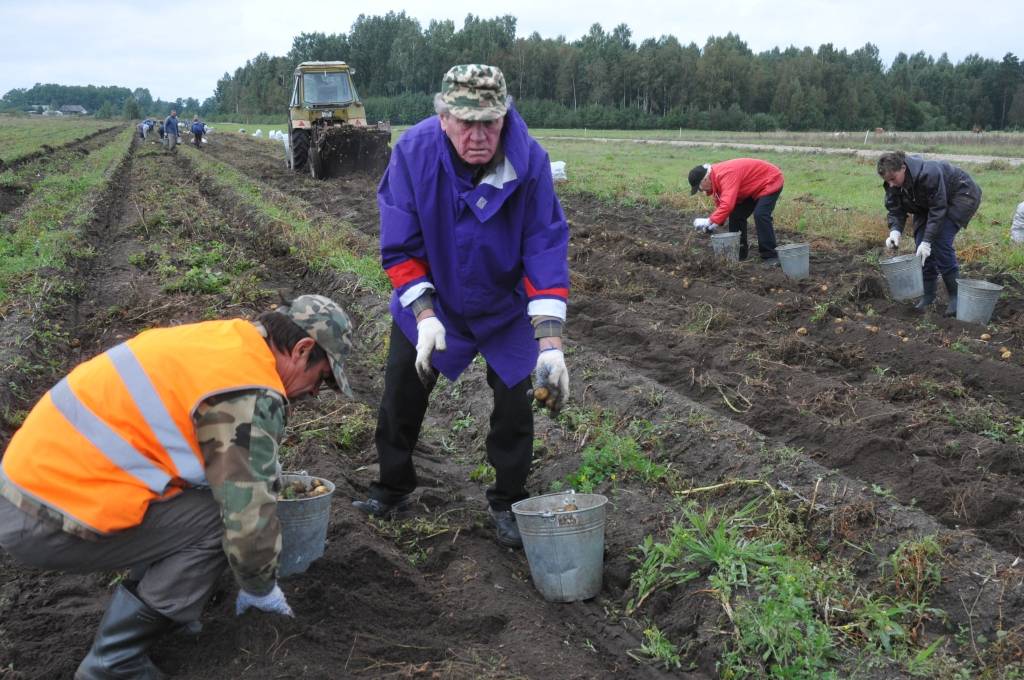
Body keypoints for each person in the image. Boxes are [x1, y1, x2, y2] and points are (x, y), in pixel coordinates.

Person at [0, 295, 354, 679]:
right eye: (322, 378)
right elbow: (246, 513)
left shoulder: (226, 342)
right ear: (302, 350)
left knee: (208, 498)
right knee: (222, 519)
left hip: (26, 487)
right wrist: (260, 590)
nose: (316, 392)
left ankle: (168, 607)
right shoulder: (249, 391)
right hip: (48, 515)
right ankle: (114, 663)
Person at [352, 64, 570, 549]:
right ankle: (391, 488)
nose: (477, 136)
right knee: (401, 396)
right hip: (436, 296)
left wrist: (550, 343)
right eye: (465, 123)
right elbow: (401, 244)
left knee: (516, 409)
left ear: (505, 116)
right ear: (443, 117)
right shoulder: (414, 152)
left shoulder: (529, 161)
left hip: (504, 304)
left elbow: (544, 245)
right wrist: (425, 315)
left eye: (489, 123)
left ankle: (509, 501)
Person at [877, 151, 982, 315]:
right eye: (887, 181)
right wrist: (895, 231)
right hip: (926, 204)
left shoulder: (928, 174)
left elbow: (938, 209)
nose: (890, 184)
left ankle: (956, 297)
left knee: (939, 241)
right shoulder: (893, 185)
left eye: (893, 179)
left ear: (903, 168)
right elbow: (895, 209)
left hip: (961, 194)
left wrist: (929, 241)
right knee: (920, 245)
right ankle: (928, 295)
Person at [688, 158, 784, 264]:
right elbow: (721, 203)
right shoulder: (715, 178)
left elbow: (727, 204)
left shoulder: (725, 174)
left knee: (760, 214)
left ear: (705, 179)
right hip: (752, 187)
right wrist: (714, 224)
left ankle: (771, 256)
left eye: (700, 189)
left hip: (770, 180)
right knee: (736, 214)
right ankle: (739, 252)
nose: (702, 192)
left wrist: (709, 220)